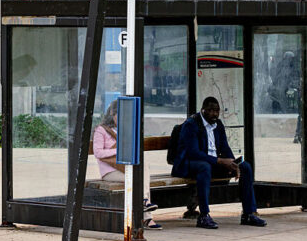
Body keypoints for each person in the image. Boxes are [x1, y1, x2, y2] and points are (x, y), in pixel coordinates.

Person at [171, 97, 267, 229]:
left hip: (211, 163)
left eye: (216, 111)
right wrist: (220, 161)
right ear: (203, 110)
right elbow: (193, 152)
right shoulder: (191, 124)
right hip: (188, 164)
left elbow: (225, 147)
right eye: (210, 110)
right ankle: (204, 216)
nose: (214, 114)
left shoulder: (218, 124)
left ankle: (248, 214)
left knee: (245, 167)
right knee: (204, 167)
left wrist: (233, 163)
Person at [93, 100, 161, 229]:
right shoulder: (101, 130)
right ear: (112, 114)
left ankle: (145, 202)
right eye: (121, 115)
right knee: (137, 179)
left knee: (143, 165)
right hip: (110, 171)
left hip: (125, 166)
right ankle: (147, 216)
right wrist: (119, 150)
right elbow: (98, 153)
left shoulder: (124, 129)